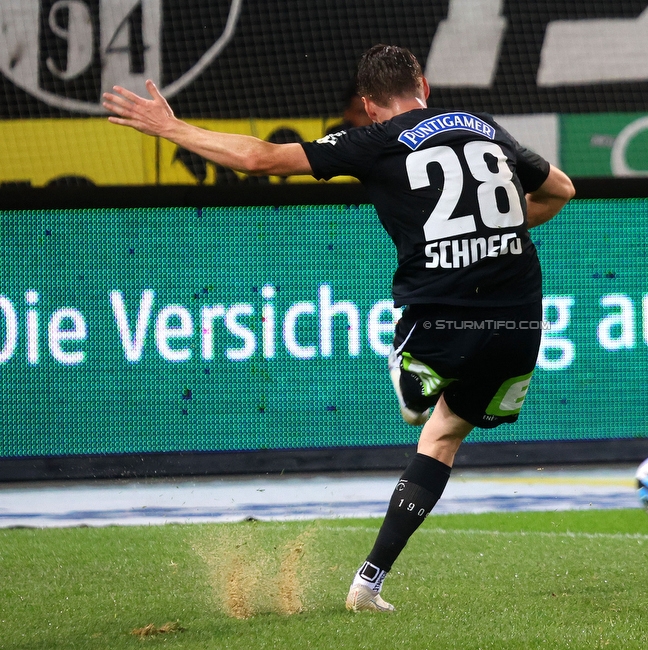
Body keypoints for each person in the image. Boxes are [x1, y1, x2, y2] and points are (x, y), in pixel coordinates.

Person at [103, 43, 575, 613]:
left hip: (442, 311)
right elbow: (562, 191)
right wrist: (493, 227)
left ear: (369, 105)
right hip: (520, 313)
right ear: (423, 84)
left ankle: (415, 374)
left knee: (421, 404)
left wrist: (171, 127)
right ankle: (368, 583)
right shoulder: (483, 127)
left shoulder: (376, 139)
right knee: (444, 437)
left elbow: (260, 159)